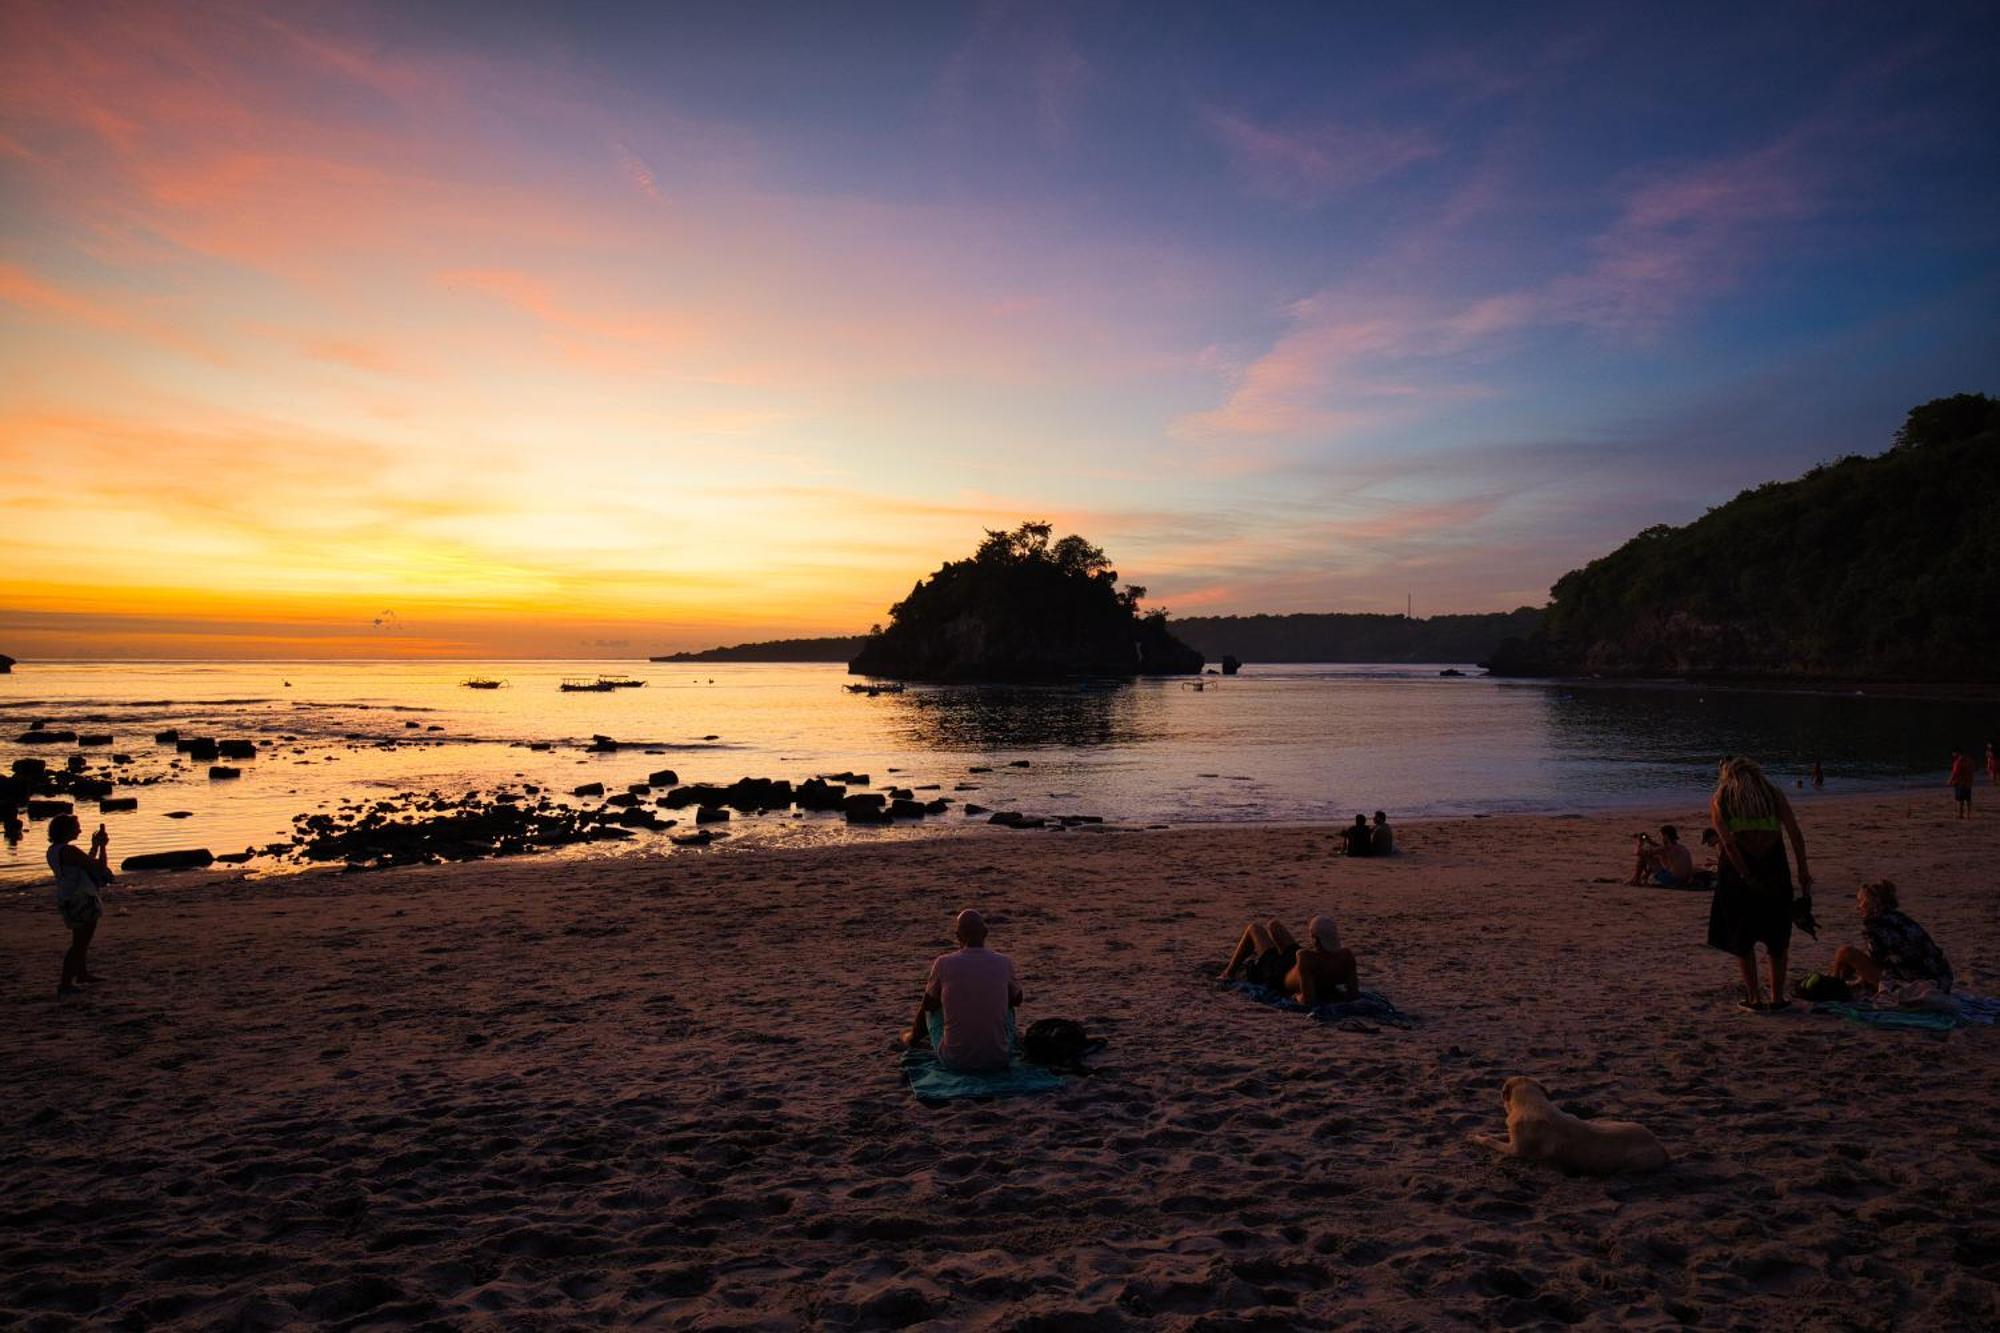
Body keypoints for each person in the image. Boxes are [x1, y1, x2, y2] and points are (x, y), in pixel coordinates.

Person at [1707, 756, 1813, 1010]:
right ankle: (1777, 998)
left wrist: (1745, 875)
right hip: (1774, 868)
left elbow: (1729, 844)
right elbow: (1795, 834)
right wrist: (1803, 871)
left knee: (1742, 936)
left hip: (1737, 875)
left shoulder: (1722, 799)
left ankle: (1754, 997)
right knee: (1777, 935)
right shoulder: (1771, 794)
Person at [902, 909, 1021, 1072]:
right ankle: (995, 1042)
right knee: (1008, 1005)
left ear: (958, 936)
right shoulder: (1003, 962)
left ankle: (913, 1040)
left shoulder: (943, 963)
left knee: (931, 1007)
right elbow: (1017, 1000)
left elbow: (928, 1005)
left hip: (955, 1061)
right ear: (985, 933)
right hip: (998, 1059)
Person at [1831, 880, 1953, 995]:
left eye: (1861, 902)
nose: (1858, 907)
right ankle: (1837, 982)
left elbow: (1877, 960)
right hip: (1941, 979)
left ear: (1871, 903)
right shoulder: (1899, 918)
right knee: (1857, 959)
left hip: (1914, 982)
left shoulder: (1875, 924)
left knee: (1845, 952)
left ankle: (1831, 985)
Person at [1219, 914, 1358, 1005]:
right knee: (1274, 925)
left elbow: (1307, 1000)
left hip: (1278, 974)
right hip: (1293, 965)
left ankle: (1228, 973)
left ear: (1315, 940)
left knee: (1254, 929)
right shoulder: (1346, 957)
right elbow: (1353, 994)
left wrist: (1297, 997)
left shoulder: (1306, 959)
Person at [46, 814, 111, 997]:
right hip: (82, 899)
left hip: (68, 899)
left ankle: (82, 974)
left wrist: (95, 846)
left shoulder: (54, 850)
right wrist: (104, 848)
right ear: (66, 830)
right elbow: (98, 867)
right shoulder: (70, 850)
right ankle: (65, 983)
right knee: (80, 943)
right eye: (77, 827)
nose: (80, 830)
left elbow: (84, 865)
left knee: (79, 939)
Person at [1628, 824, 1694, 887]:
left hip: (1673, 880)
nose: (1662, 838)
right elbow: (1661, 848)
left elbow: (1639, 852)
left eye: (1662, 836)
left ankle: (1636, 880)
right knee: (1654, 856)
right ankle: (1641, 878)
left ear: (1666, 836)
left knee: (1645, 856)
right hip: (1684, 879)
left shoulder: (1666, 849)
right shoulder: (1681, 847)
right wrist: (1650, 841)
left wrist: (1640, 842)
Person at [1950, 749, 1975, 818]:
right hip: (1968, 782)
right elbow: (1974, 769)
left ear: (1957, 753)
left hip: (1960, 782)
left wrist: (1950, 780)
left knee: (1960, 800)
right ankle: (1968, 814)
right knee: (1968, 799)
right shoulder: (1970, 760)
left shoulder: (1958, 761)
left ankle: (1960, 814)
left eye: (1953, 753)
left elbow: (1955, 772)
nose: (1953, 755)